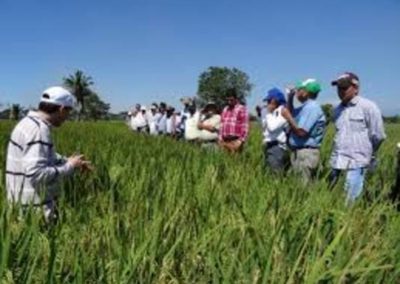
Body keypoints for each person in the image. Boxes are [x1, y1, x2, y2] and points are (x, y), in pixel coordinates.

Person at [5, 86, 92, 222]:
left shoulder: (26, 123)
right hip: (33, 213)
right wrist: (69, 166)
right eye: (68, 113)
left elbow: (37, 156)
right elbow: (37, 173)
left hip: (19, 205)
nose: (66, 118)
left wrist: (67, 160)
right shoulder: (39, 130)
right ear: (61, 109)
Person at [328, 72, 386, 203]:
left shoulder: (368, 107)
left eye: (344, 88)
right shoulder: (337, 110)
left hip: (357, 162)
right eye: (339, 88)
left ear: (356, 88)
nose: (340, 91)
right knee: (332, 197)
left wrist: (369, 154)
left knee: (349, 201)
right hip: (337, 161)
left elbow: (379, 135)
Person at [282, 78, 326, 182]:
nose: (297, 91)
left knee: (302, 188)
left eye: (299, 89)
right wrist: (290, 97)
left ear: (306, 92)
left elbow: (301, 132)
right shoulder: (305, 107)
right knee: (298, 185)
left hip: (305, 154)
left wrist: (288, 117)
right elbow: (291, 112)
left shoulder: (312, 108)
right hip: (300, 152)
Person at [261, 88, 289, 172]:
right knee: (269, 171)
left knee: (275, 174)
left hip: (277, 147)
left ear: (275, 101)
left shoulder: (282, 112)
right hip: (270, 146)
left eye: (270, 101)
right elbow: (265, 127)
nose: (268, 103)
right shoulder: (273, 112)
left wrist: (268, 113)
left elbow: (272, 128)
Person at [218, 88, 249, 153]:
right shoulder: (225, 109)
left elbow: (245, 126)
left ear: (236, 98)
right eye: (227, 100)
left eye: (231, 100)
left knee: (236, 161)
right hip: (225, 141)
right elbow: (221, 125)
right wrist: (220, 138)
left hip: (236, 140)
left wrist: (240, 140)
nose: (229, 102)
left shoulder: (241, 108)